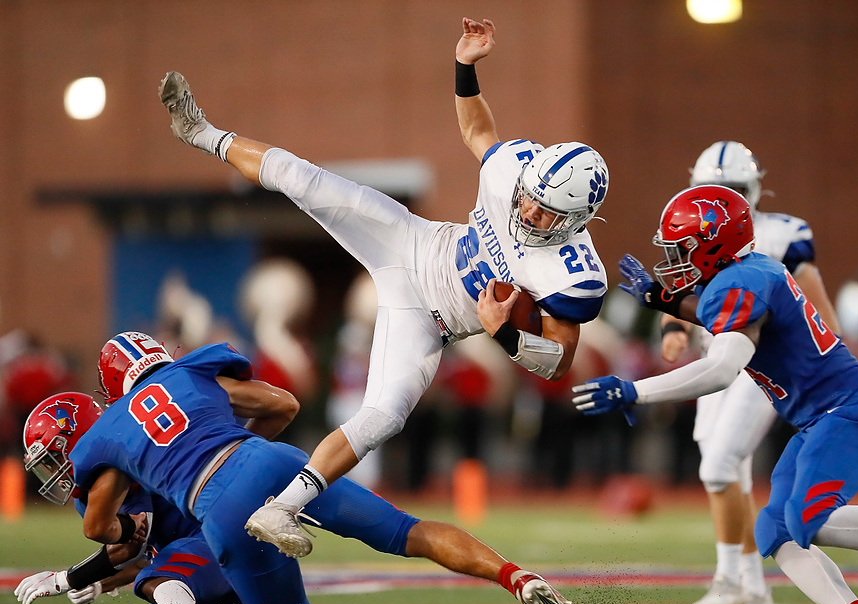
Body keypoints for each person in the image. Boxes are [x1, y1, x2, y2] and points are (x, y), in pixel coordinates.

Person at [156, 15, 609, 561]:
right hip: (414, 243)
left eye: (546, 211)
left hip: (431, 319)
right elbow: (477, 133)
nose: (529, 210)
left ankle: (281, 507)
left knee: (383, 416)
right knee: (305, 179)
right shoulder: (516, 171)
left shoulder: (573, 271)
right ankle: (200, 131)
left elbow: (559, 362)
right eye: (530, 196)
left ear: (576, 219)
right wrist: (464, 66)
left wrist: (506, 338)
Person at [572, 185, 858, 604]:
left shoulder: (740, 284)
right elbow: (712, 314)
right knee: (775, 529)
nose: (675, 259)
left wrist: (636, 390)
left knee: (810, 518)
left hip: (852, 410)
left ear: (712, 242)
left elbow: (721, 369)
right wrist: (660, 298)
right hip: (821, 418)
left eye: (682, 248)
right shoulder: (749, 272)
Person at [66, 331, 581, 604]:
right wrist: (245, 450)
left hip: (216, 499)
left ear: (112, 390)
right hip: (272, 460)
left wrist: (119, 532)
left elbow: (96, 527)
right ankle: (519, 577)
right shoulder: (192, 374)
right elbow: (283, 404)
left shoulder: (109, 429)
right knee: (407, 531)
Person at [658, 141, 842, 604]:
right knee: (727, 473)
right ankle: (752, 587)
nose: (719, 197)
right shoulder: (691, 229)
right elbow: (678, 295)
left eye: (731, 189)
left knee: (719, 464)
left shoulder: (781, 236)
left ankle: (727, 579)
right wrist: (673, 329)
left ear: (753, 188)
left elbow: (823, 313)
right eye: (710, 188)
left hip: (760, 365)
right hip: (715, 356)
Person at [16, 391, 261, 604]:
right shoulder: (87, 495)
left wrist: (63, 580)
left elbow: (131, 545)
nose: (52, 471)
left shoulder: (120, 461)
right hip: (202, 593)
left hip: (225, 556)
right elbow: (145, 559)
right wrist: (100, 584)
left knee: (157, 575)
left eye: (54, 458)